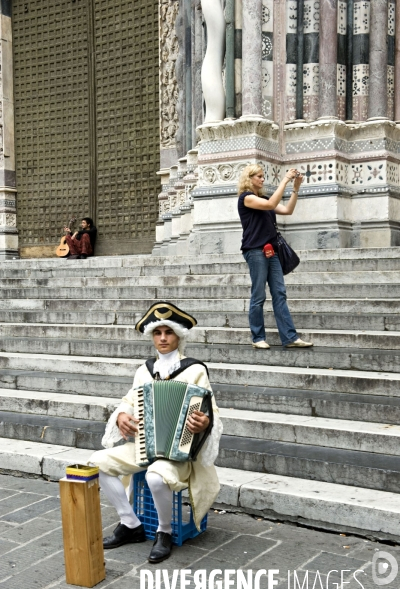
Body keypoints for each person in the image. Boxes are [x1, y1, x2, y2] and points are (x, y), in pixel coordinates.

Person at [90, 302, 223, 563]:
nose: (162, 338)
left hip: (180, 452)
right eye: (157, 333)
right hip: (143, 445)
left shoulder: (195, 370)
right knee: (96, 463)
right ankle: (130, 524)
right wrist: (122, 417)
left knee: (155, 476)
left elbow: (211, 412)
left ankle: (165, 532)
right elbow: (128, 401)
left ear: (178, 335)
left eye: (168, 332)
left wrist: (204, 423)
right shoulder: (144, 371)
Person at [238, 164, 313, 349]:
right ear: (249, 178)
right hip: (255, 250)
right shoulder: (246, 198)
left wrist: (295, 188)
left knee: (279, 293)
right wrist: (285, 180)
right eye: (259, 176)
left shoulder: (263, 198)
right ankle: (258, 338)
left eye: (263, 176)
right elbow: (271, 204)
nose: (263, 179)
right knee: (258, 295)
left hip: (272, 251)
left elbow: (287, 210)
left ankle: (290, 337)